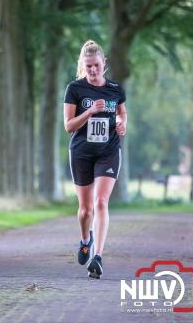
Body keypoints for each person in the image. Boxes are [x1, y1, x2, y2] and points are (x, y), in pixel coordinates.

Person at [63, 40, 127, 279]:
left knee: (101, 202)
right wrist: (89, 111)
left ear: (104, 63)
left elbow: (122, 113)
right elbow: (69, 126)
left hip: (108, 151)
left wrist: (122, 125)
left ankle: (97, 257)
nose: (92, 70)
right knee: (85, 210)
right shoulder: (74, 89)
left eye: (96, 65)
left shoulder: (115, 89)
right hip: (81, 152)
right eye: (88, 66)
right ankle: (84, 239)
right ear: (83, 65)